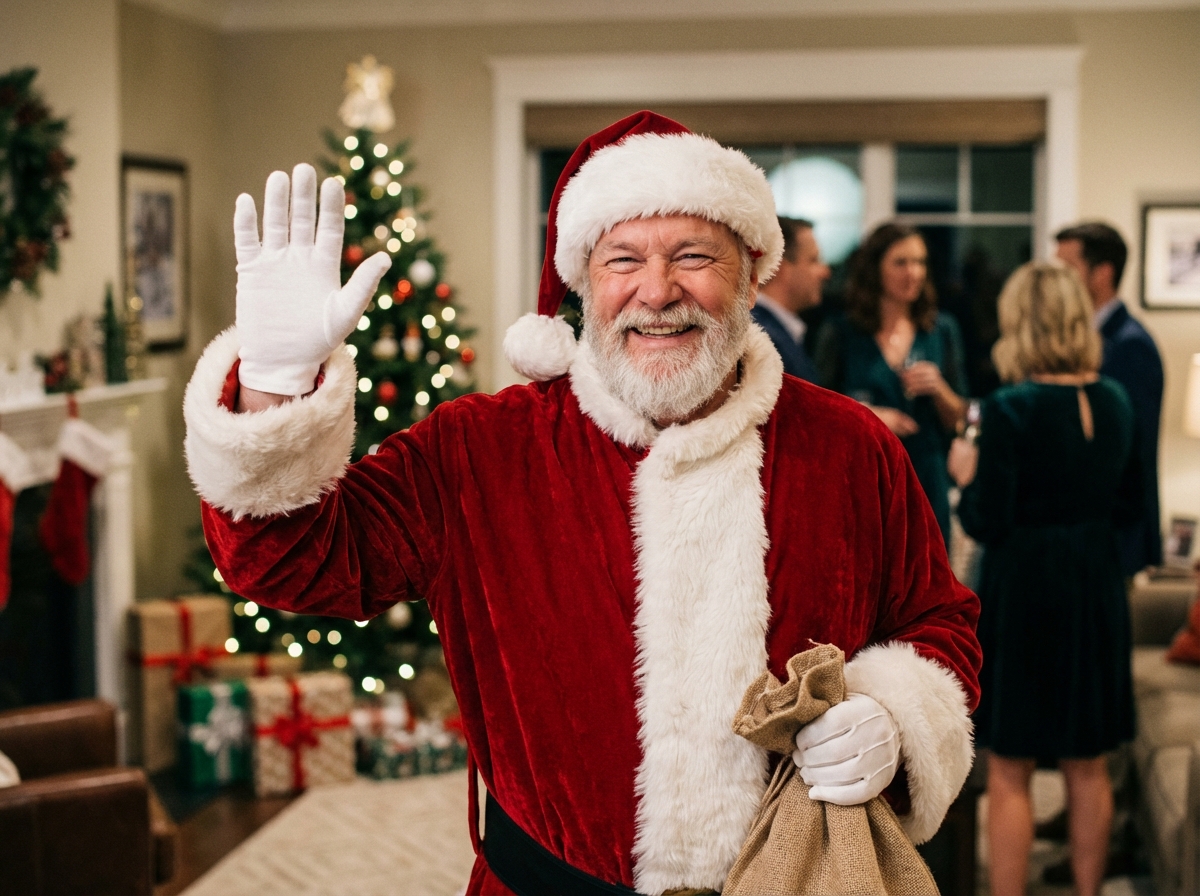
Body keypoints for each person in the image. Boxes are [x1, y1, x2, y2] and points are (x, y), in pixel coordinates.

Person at [184, 112, 981, 895]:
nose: (658, 291)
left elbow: (938, 622)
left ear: (749, 269)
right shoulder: (479, 451)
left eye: (694, 255)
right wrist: (274, 389)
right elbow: (293, 563)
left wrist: (895, 717)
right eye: (623, 258)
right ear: (583, 281)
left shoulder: (850, 448)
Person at [949, 262, 1140, 896]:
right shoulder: (1115, 399)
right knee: (1090, 762)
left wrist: (964, 474)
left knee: (1010, 765)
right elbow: (1133, 507)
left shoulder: (1007, 409)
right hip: (1095, 588)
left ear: (1020, 326)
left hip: (1026, 590)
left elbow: (988, 521)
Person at [814, 222, 968, 545]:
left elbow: (964, 418)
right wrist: (868, 417)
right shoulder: (841, 333)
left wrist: (939, 389)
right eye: (901, 262)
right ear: (875, 270)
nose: (913, 273)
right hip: (864, 482)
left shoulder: (942, 331)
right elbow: (815, 417)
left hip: (927, 479)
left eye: (920, 262)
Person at [1055, 222, 1163, 577]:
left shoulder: (1130, 346)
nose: (1058, 283)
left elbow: (1130, 452)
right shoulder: (1086, 338)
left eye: (1067, 270)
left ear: (1102, 273)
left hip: (1115, 536)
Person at [750, 215, 830, 382]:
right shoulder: (763, 338)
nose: (825, 272)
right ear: (779, 267)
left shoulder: (777, 329)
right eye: (813, 260)